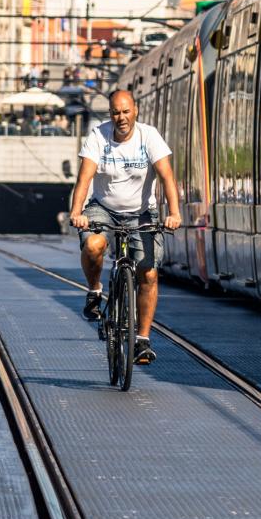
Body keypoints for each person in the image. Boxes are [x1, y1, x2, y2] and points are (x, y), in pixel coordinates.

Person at [68, 88, 182, 366]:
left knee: (149, 273)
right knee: (94, 245)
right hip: (103, 208)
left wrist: (174, 213)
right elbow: (84, 179)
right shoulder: (98, 136)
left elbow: (166, 177)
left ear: (135, 111)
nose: (121, 117)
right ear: (110, 114)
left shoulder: (149, 136)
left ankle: (141, 340)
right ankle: (95, 290)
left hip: (142, 212)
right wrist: (76, 211)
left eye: (126, 111)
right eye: (116, 112)